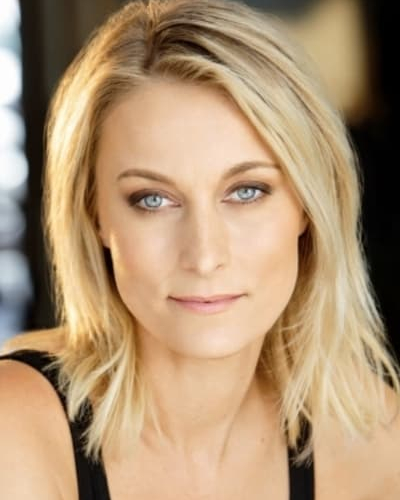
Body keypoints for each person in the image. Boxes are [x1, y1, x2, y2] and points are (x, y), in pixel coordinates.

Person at [0, 0, 399, 498]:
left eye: (247, 191)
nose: (205, 256)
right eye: (153, 199)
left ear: (309, 205)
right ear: (94, 214)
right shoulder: (14, 431)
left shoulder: (374, 441)